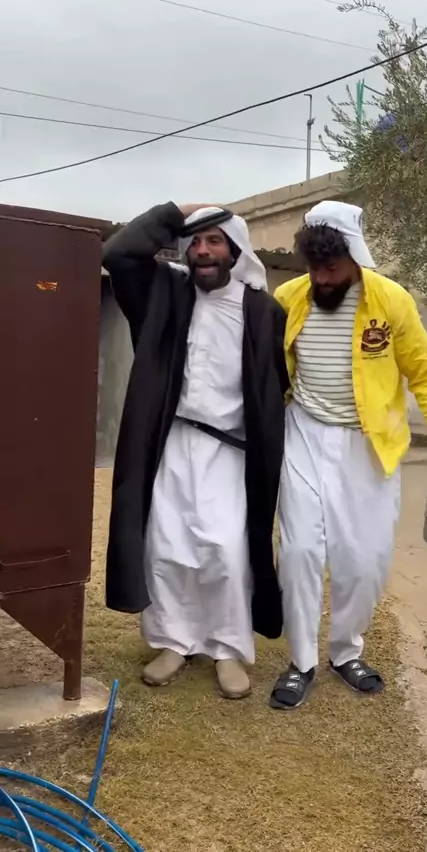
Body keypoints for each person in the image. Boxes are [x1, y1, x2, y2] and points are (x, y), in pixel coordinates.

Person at [269, 200, 427, 710]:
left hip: (370, 444)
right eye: (314, 268)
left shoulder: (391, 301)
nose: (321, 278)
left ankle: (345, 651)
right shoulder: (288, 298)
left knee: (364, 561)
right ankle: (301, 661)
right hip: (303, 434)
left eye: (331, 268)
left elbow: (424, 374)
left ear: (355, 259)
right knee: (298, 553)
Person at [102, 202, 289, 700]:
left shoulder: (262, 311)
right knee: (167, 546)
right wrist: (175, 212)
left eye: (214, 241)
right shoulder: (165, 292)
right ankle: (173, 642)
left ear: (236, 251)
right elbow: (118, 254)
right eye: (195, 242)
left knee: (225, 550)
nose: (203, 251)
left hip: (230, 451)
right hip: (173, 442)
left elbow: (275, 386)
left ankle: (227, 649)